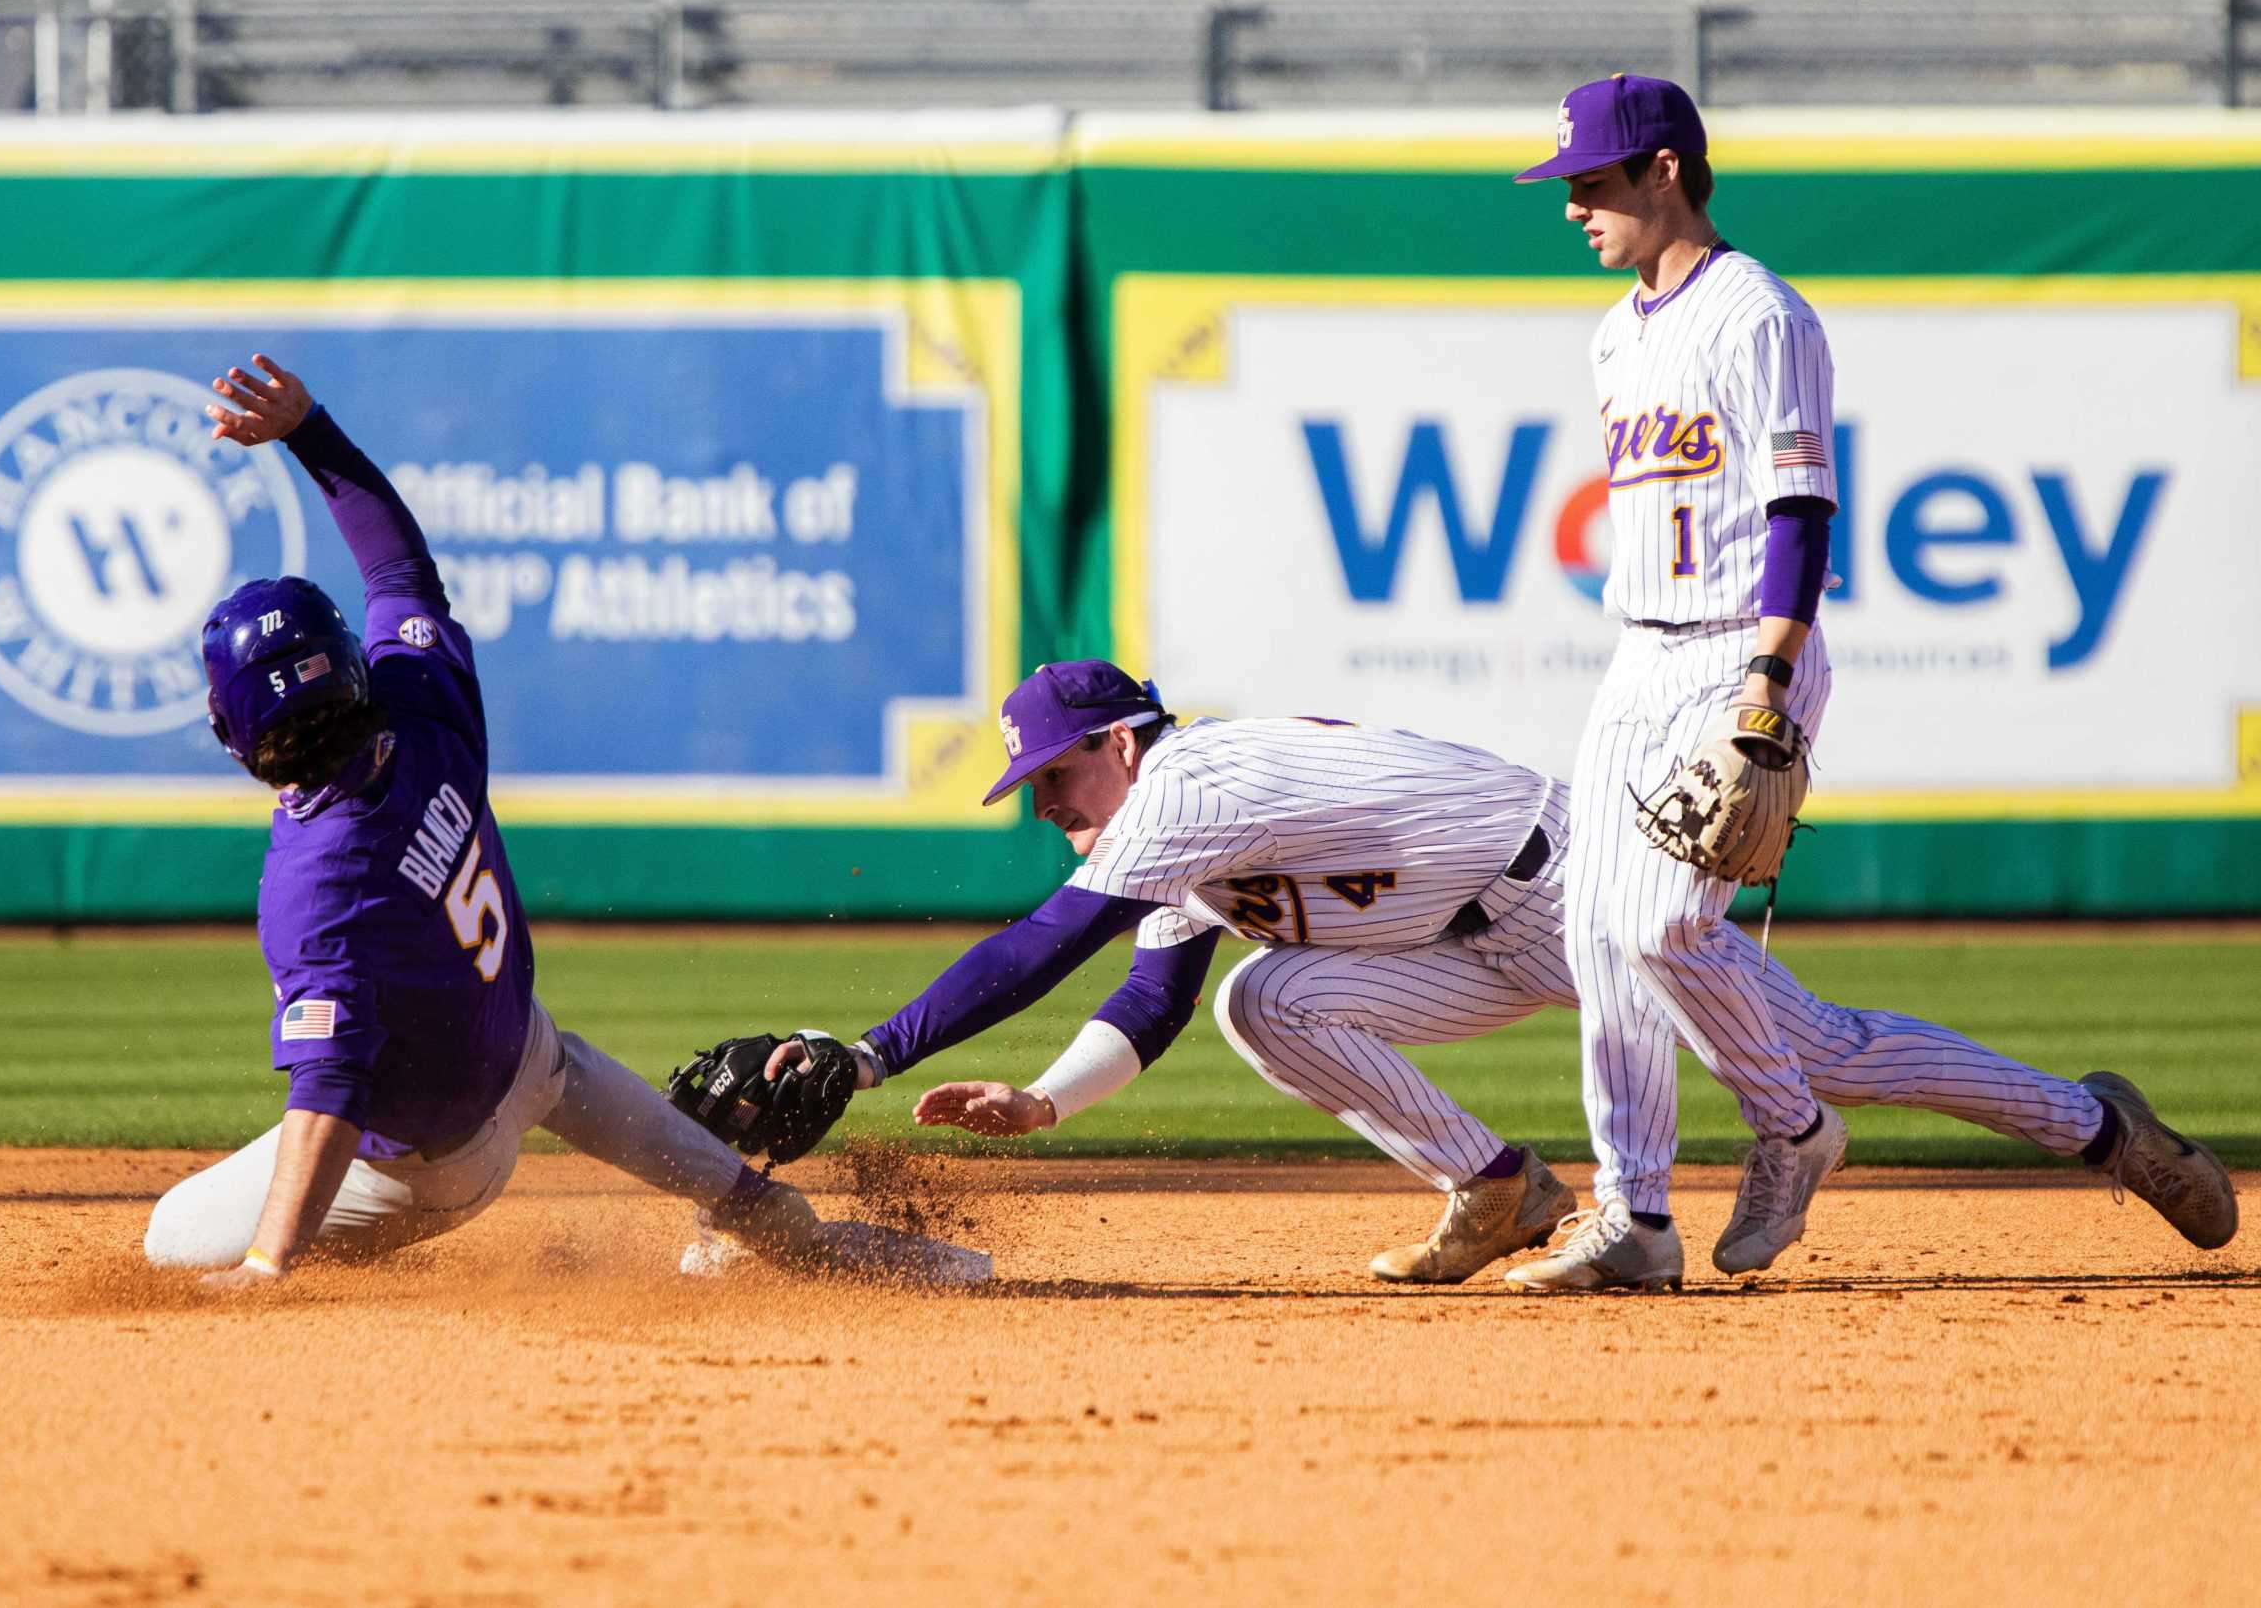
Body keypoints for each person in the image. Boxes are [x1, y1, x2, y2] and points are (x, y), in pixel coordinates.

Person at [772, 661, 2236, 1289]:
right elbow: (1144, 986)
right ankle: (1502, 1185)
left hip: (1576, 878)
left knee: (1829, 1052)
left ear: (1130, 739)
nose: (1048, 799)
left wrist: (873, 1048)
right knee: (1261, 996)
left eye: (1057, 772)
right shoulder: (1178, 833)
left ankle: (2107, 1130)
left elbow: (1048, 938)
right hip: (1453, 941)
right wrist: (1044, 1098)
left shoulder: (1190, 779)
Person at [141, 355, 828, 1285]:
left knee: (171, 1234)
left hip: (434, 1170)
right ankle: (752, 1203)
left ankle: (354, 1256)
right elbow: (396, 564)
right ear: (347, 664)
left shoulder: (315, 881)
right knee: (552, 1061)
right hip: (523, 1054)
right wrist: (310, 429)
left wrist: (268, 1265)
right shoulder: (422, 704)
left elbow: (330, 1092)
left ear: (234, 736)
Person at [1500, 72, 1852, 1288]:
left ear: (1665, 172)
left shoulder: (1759, 315)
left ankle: (1795, 1131)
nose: (1570, 209)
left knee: (1661, 924)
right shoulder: (1614, 332)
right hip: (1635, 657)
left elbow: (1801, 506)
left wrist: (1771, 674)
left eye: (1590, 183)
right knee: (1596, 937)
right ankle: (1636, 1218)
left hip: (1736, 653)